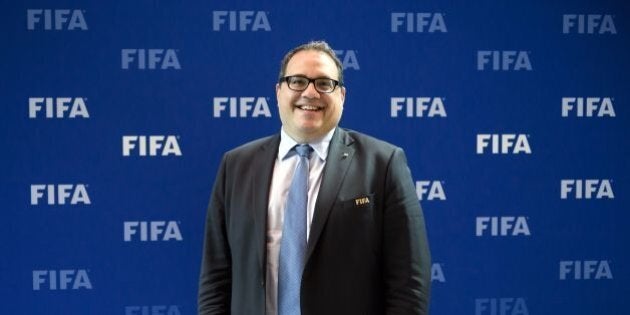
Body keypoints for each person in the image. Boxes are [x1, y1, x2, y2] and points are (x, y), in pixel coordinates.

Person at [198, 40, 431, 315]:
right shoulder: (236, 165)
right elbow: (215, 279)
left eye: (324, 83)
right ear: (278, 91)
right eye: (297, 81)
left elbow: (409, 284)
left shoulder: (383, 163)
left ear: (341, 96)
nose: (310, 92)